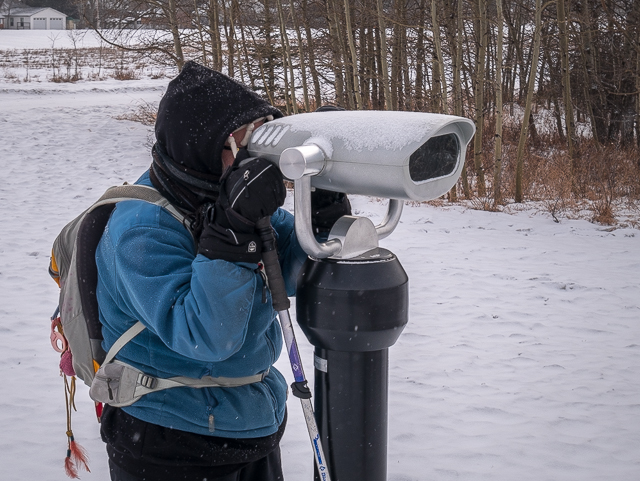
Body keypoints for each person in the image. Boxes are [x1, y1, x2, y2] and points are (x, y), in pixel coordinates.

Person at [95, 62, 350, 481]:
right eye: (244, 142)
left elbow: (295, 272)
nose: (258, 158)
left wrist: (320, 210)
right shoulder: (141, 230)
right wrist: (229, 237)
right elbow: (208, 337)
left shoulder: (227, 199)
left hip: (249, 423)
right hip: (170, 439)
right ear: (202, 148)